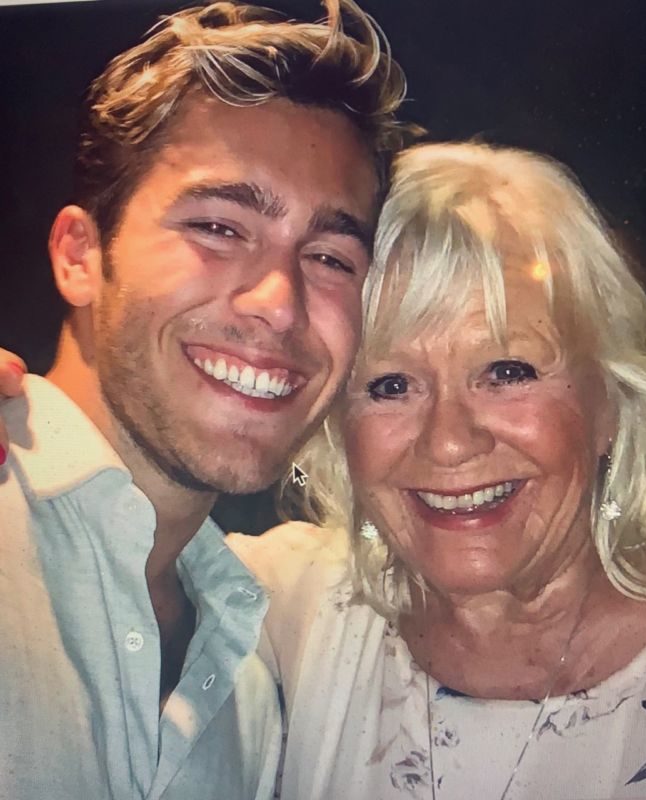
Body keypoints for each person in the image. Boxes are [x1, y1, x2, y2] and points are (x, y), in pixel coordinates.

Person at [0, 1, 408, 798]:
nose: (279, 304)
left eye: (330, 257)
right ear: (80, 256)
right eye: (219, 227)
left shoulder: (251, 678)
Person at [230, 142, 646, 799]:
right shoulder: (278, 609)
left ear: (610, 401)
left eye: (506, 372)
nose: (449, 443)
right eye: (391, 385)